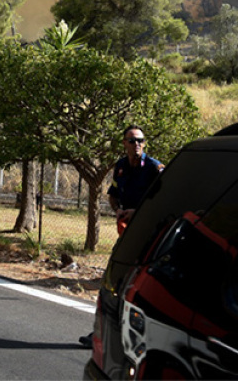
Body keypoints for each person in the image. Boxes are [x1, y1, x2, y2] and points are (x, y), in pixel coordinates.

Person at [78, 124, 165, 349]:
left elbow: (165, 203)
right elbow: (113, 195)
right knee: (114, 280)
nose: (137, 144)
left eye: (140, 140)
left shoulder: (155, 169)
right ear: (124, 144)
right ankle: (101, 334)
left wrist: (137, 212)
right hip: (128, 234)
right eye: (132, 141)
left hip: (151, 237)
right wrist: (117, 209)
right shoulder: (120, 167)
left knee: (142, 287)